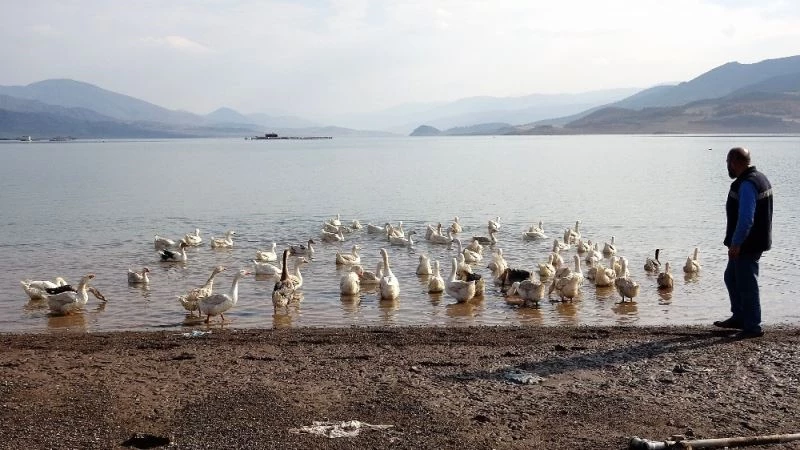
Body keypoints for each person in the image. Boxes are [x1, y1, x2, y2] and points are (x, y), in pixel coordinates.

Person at [714, 147, 773, 338]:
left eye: (727, 162)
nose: (727, 166)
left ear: (734, 162)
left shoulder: (748, 184)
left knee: (747, 284)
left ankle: (752, 327)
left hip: (748, 244)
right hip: (752, 241)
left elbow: (747, 217)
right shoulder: (759, 178)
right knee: (731, 277)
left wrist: (737, 243)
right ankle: (739, 316)